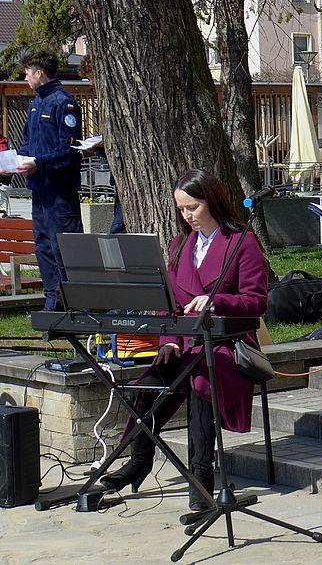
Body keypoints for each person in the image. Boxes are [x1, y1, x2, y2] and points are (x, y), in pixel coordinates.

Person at [100, 170, 268, 510]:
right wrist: (169, 340)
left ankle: (201, 475)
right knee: (148, 383)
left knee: (202, 381)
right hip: (186, 343)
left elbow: (257, 301)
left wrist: (216, 301)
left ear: (212, 201)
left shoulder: (242, 241)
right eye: (181, 209)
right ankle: (139, 460)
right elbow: (171, 304)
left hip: (226, 343)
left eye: (192, 207)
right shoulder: (180, 245)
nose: (187, 215)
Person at [16, 50, 83, 310]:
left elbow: (69, 149)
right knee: (43, 245)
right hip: (39, 189)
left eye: (27, 73)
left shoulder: (63, 104)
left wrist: (39, 163)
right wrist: (16, 160)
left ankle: (75, 303)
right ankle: (52, 301)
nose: (25, 78)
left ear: (39, 73)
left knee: (64, 246)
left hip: (60, 191)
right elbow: (28, 143)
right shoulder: (35, 105)